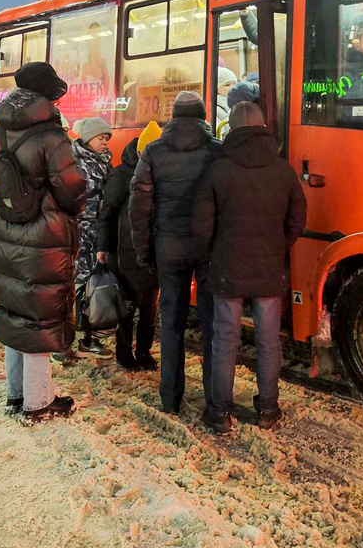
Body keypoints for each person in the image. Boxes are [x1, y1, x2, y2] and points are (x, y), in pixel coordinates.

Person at [192, 102, 307, 434]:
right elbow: (298, 217)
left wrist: (212, 254)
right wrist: (279, 244)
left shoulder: (218, 170)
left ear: (232, 131)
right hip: (269, 271)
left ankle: (219, 411)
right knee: (269, 340)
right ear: (262, 129)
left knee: (225, 339)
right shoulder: (282, 170)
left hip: (228, 270)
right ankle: (269, 408)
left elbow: (201, 225)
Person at [0, 62, 86, 423]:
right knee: (41, 320)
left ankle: (17, 396)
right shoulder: (50, 135)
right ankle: (38, 404)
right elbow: (72, 187)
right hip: (44, 236)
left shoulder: (2, 130)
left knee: (17, 313)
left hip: (11, 230)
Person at [129, 90, 224, 415]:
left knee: (171, 324)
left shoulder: (153, 151)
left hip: (167, 247)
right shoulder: (216, 151)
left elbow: (138, 207)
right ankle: (214, 399)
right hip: (207, 248)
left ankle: (170, 399)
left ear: (173, 117)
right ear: (201, 116)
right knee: (213, 326)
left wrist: (145, 252)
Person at [97, 121, 161, 371]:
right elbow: (108, 212)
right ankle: (124, 353)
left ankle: (144, 352)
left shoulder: (158, 171)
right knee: (127, 305)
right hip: (123, 251)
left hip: (149, 251)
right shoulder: (121, 175)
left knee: (149, 306)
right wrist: (103, 246)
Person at [70, 116, 115, 360]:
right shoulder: (76, 162)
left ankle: (90, 337)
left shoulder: (102, 162)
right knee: (83, 286)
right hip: (82, 232)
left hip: (97, 231)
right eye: (101, 138)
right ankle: (82, 339)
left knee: (93, 286)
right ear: (88, 139)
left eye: (107, 138)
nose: (105, 142)